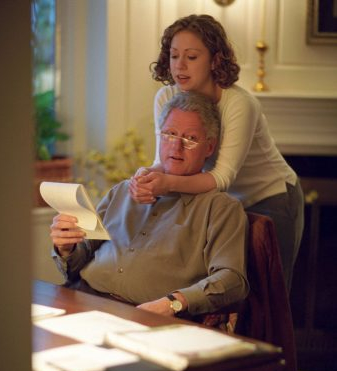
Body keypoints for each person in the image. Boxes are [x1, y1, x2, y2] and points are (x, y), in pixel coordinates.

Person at [129, 14, 304, 291]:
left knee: (270, 297)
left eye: (192, 57)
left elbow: (222, 177)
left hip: (272, 197)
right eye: (174, 56)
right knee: (231, 293)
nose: (180, 66)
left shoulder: (239, 104)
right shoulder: (166, 97)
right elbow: (163, 162)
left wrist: (166, 183)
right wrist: (143, 178)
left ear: (215, 60)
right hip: (225, 203)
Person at [50, 91, 249, 319]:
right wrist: (66, 248)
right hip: (82, 299)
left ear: (210, 147)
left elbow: (232, 280)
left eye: (190, 139)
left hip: (146, 318)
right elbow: (79, 259)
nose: (176, 147)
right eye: (170, 134)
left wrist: (174, 303)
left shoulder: (220, 208)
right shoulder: (124, 191)